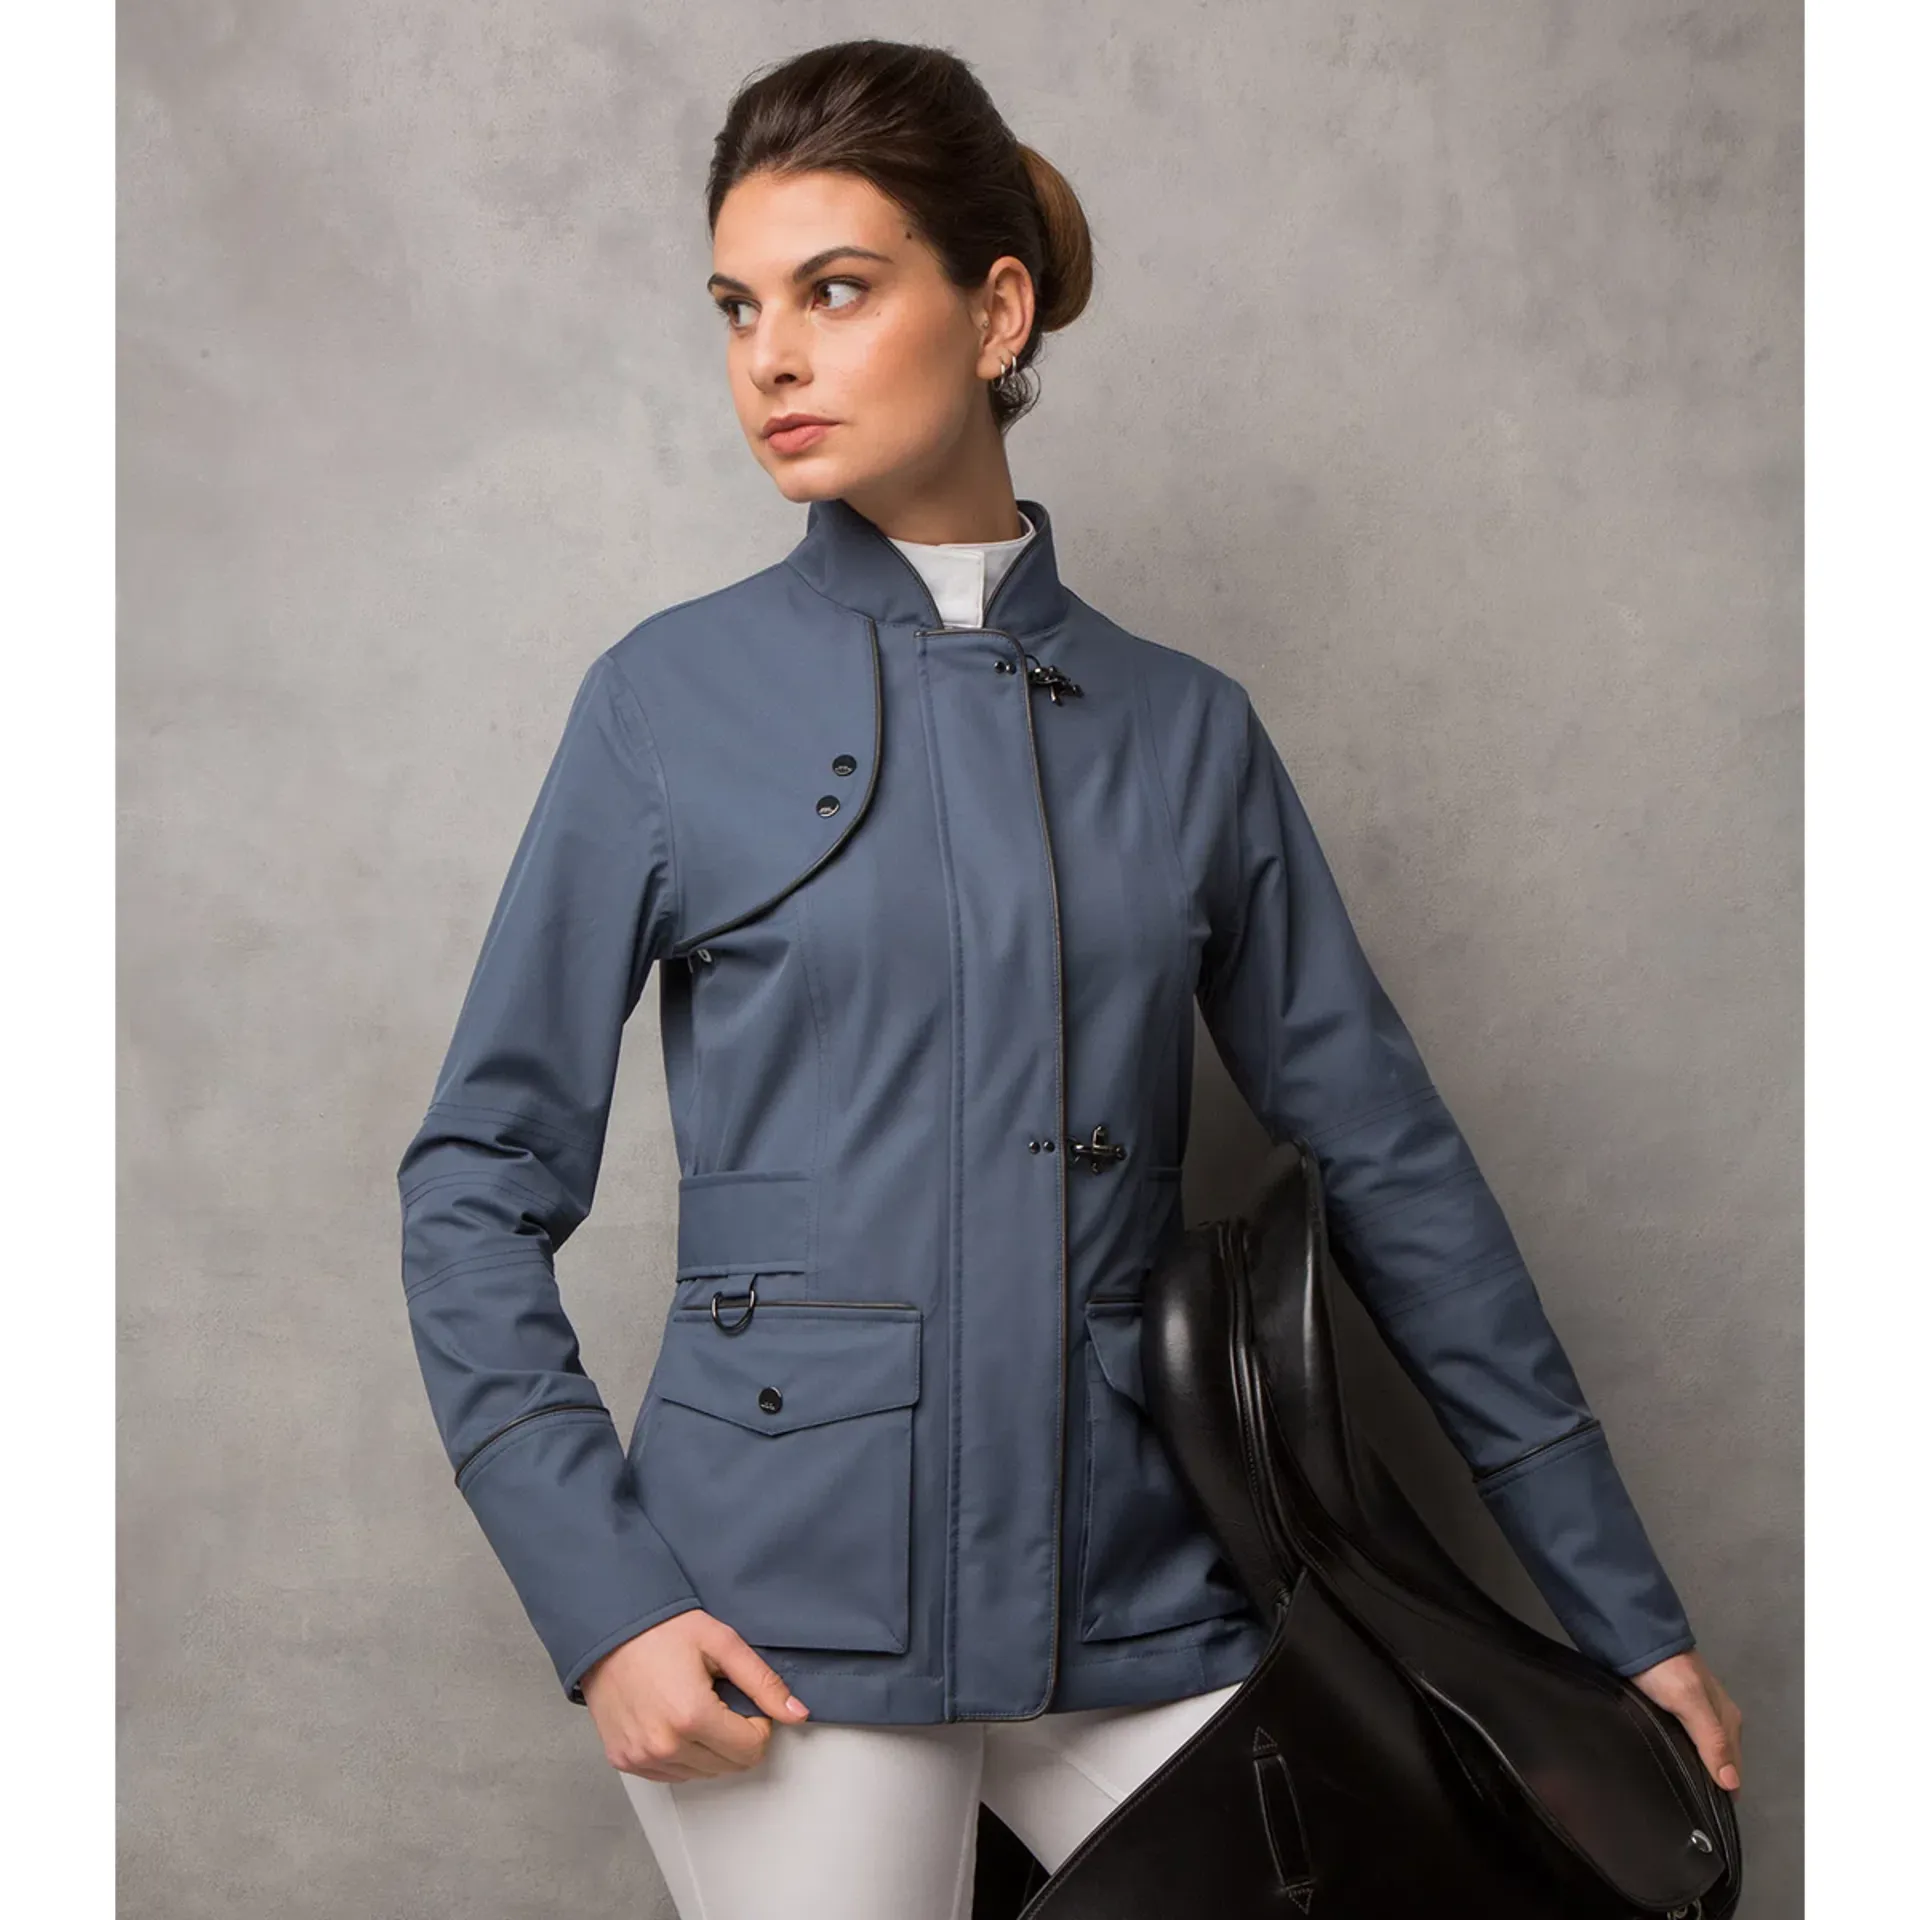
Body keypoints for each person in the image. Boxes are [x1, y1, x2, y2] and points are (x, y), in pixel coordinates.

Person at [394, 37, 1744, 1919]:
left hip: (1147, 1583)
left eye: (834, 291)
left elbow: (1396, 1171)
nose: (769, 358)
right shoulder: (662, 705)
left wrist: (1625, 1615)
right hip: (782, 1620)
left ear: (997, 309)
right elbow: (473, 1184)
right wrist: (604, 1600)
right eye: (737, 307)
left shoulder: (1188, 732)